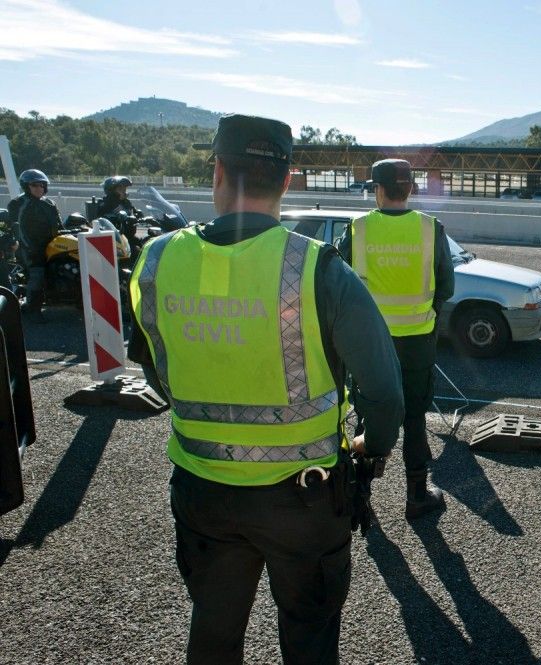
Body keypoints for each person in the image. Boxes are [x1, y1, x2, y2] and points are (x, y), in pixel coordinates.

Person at [128, 114, 404, 664]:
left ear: (217, 172)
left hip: (202, 489)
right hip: (304, 497)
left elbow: (156, 367)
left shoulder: (157, 260)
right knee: (309, 639)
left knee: (213, 632)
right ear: (286, 180)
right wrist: (371, 448)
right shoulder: (318, 268)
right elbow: (383, 392)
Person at [335, 158, 455, 520]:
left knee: (369, 415)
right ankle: (417, 495)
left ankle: (361, 495)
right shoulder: (430, 228)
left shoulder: (358, 229)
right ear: (410, 189)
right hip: (418, 343)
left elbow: (338, 284)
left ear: (378, 190)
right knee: (415, 419)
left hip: (370, 344)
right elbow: (446, 287)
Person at [7, 169, 61, 318]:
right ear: (26, 187)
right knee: (37, 274)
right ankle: (34, 309)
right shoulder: (18, 204)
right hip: (29, 248)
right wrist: (31, 248)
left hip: (50, 245)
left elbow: (59, 225)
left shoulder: (49, 203)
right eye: (34, 185)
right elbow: (18, 229)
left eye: (42, 185)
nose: (39, 188)